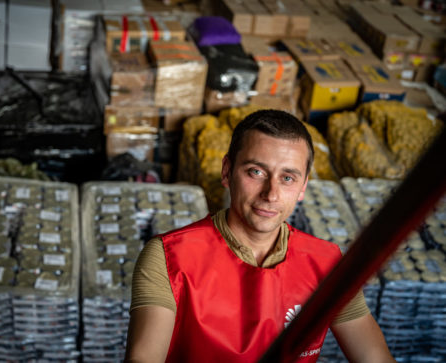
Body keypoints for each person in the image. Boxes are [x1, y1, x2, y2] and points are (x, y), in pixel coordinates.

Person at [125, 110, 395, 362]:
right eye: (256, 172)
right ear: (227, 171)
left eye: (287, 178)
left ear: (303, 187)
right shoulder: (170, 258)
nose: (271, 194)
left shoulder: (327, 264)